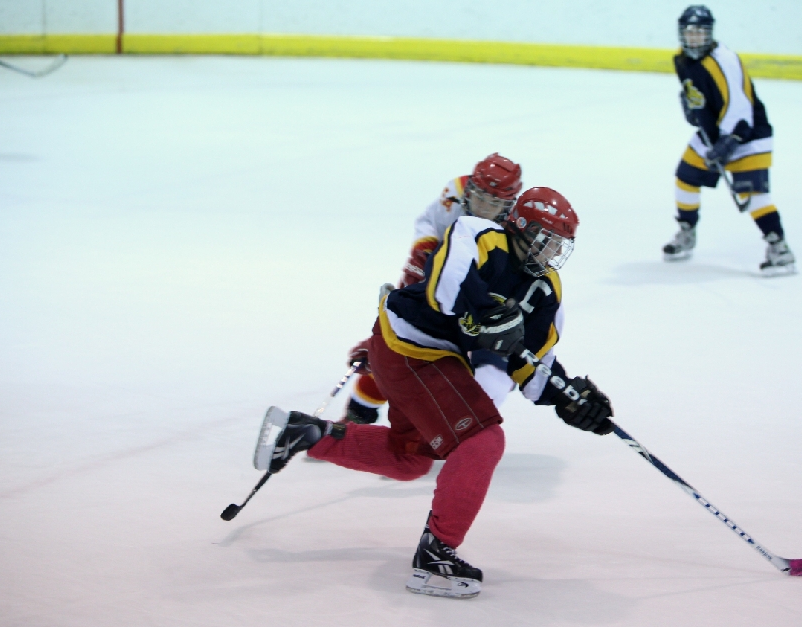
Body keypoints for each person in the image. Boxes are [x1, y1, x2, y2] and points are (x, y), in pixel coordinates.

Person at [254, 187, 614, 598]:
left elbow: (534, 365)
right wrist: (486, 315)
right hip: (410, 346)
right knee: (483, 439)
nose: (552, 253)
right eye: (546, 240)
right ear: (520, 227)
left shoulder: (547, 290)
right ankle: (436, 555)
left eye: (559, 245)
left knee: (410, 459)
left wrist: (570, 398)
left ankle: (307, 434)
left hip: (430, 360)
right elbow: (445, 290)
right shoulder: (477, 234)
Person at [343, 153, 523, 425]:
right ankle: (357, 415)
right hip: (440, 276)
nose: (484, 208)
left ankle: (444, 428)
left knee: (458, 370)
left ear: (508, 205)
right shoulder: (455, 192)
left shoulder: (512, 231)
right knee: (398, 344)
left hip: (482, 302)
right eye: (480, 198)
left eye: (494, 203)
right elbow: (429, 229)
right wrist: (394, 321)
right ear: (470, 190)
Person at [663, 5, 796, 275]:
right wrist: (693, 109)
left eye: (700, 32)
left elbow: (740, 106)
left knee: (752, 194)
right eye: (689, 32)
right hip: (713, 134)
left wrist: (729, 142)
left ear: (709, 33)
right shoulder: (682, 59)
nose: (694, 37)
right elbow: (697, 94)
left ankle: (780, 249)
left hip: (747, 135)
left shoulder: (723, 60)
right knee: (686, 177)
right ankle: (687, 232)